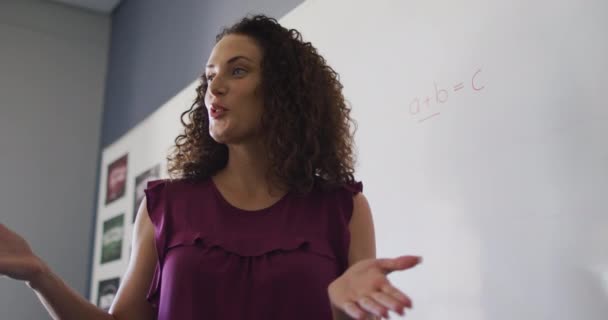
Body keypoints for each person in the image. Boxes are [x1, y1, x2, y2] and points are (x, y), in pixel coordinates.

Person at [0, 14, 421, 320]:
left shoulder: (343, 209)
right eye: (210, 75)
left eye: (237, 71)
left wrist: (340, 309)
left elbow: (354, 314)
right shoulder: (164, 206)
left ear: (282, 90)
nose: (214, 87)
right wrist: (39, 275)